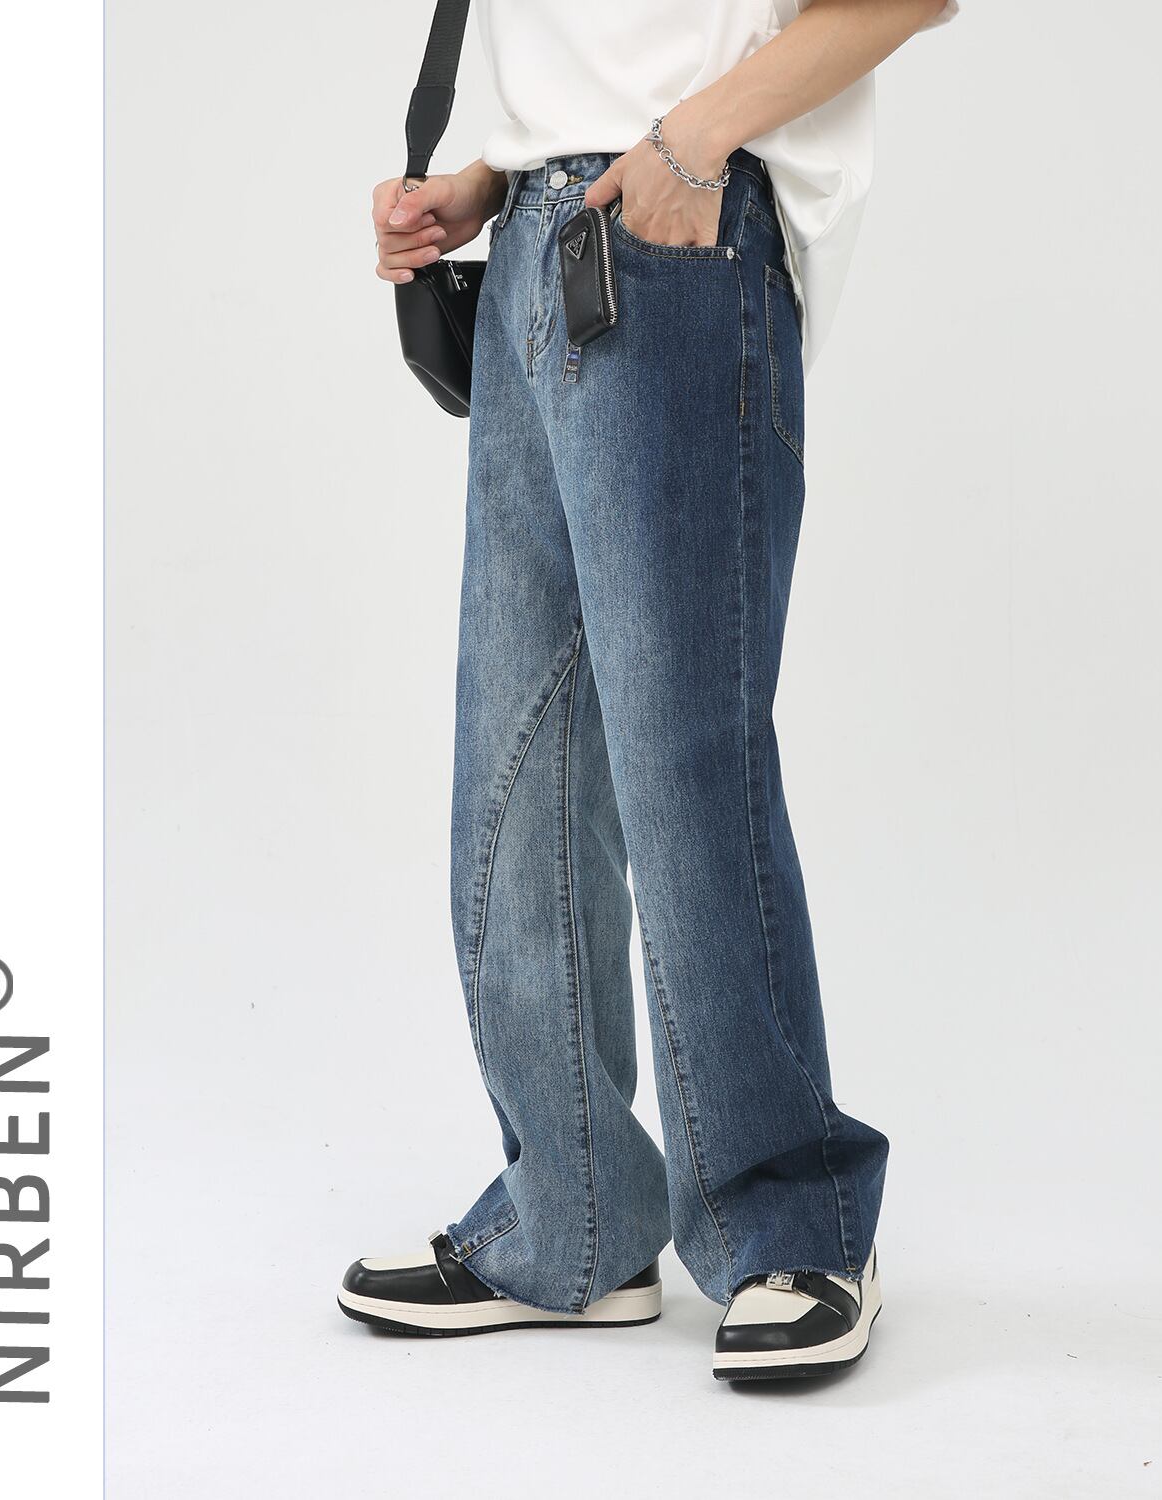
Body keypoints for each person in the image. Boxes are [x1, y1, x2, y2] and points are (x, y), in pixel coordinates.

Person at [339, 0, 957, 1383]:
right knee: (517, 768)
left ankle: (795, 1223)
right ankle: (572, 1222)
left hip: (676, 237)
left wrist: (691, 144)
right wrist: (488, 178)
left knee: (686, 764)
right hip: (535, 245)